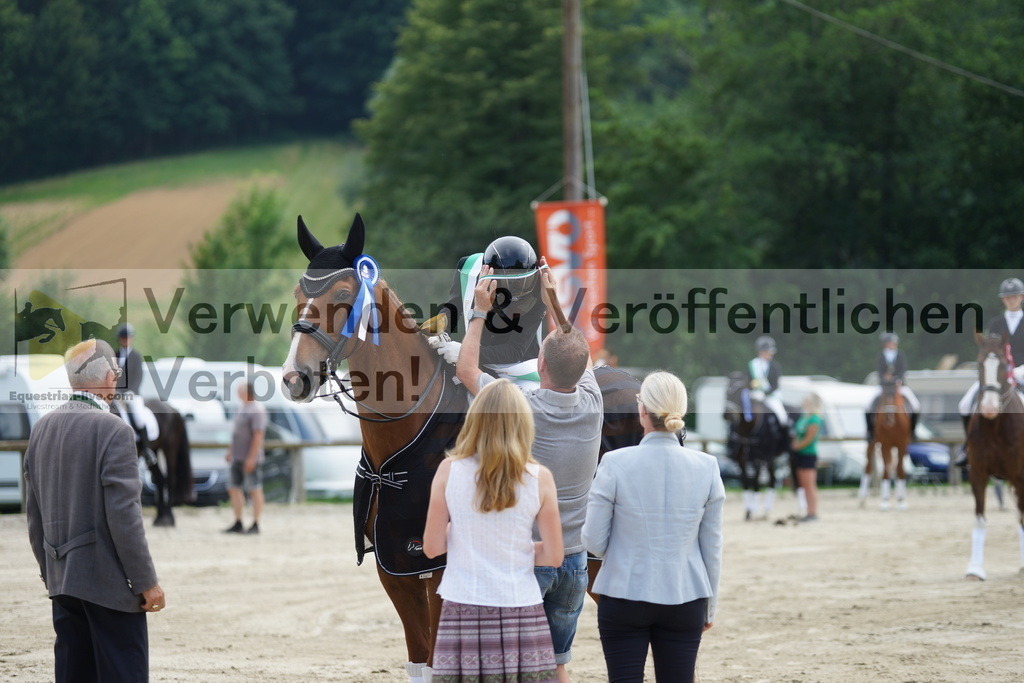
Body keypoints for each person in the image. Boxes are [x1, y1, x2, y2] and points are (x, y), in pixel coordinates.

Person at [456, 264, 602, 683]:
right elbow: (576, 350)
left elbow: (466, 371)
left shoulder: (521, 405)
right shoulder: (593, 402)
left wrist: (479, 313)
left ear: (539, 363)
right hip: (574, 561)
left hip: (527, 558)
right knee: (557, 666)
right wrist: (554, 299)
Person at [24, 339, 165, 682]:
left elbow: (34, 515)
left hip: (63, 581)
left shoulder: (41, 427)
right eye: (115, 372)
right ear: (107, 377)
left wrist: (51, 572)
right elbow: (124, 516)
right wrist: (147, 582)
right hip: (108, 585)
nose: (117, 378)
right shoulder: (114, 429)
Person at [582, 371, 725, 683]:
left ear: (642, 410)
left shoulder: (614, 463)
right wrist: (709, 608)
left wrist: (621, 548)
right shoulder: (707, 466)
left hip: (623, 594)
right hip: (685, 596)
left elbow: (593, 541)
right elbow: (711, 549)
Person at [423, 379, 563, 683]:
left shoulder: (448, 470)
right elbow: (553, 556)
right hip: (521, 607)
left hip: (463, 607)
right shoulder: (540, 478)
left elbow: (432, 547)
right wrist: (518, 547)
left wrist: (467, 535)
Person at [431, 236, 546, 384]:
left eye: (523, 280)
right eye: (511, 281)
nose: (518, 290)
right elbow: (454, 307)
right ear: (490, 274)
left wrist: (464, 353)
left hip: (520, 368)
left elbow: (515, 350)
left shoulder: (541, 288)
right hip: (475, 360)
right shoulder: (468, 268)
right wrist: (439, 332)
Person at [959, 277, 1024, 429]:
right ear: (1003, 299)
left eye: (1014, 296)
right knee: (964, 404)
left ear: (1022, 297)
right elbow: (989, 351)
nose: (1011, 300)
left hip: (1022, 372)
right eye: (1008, 297)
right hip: (995, 373)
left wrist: (1019, 370)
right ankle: (967, 444)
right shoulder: (996, 323)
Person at [223, 382, 267, 534]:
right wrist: (231, 450)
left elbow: (258, 436)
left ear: (247, 392)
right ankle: (238, 521)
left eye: (239, 391)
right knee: (233, 488)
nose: (237, 394)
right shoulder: (241, 407)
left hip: (249, 457)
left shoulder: (256, 410)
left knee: (254, 489)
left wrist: (252, 458)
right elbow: (236, 432)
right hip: (237, 456)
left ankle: (255, 522)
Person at [865, 332, 920, 440]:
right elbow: (879, 371)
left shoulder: (900, 355)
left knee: (915, 405)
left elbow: (902, 370)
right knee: (868, 405)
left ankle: (913, 431)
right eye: (890, 343)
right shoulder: (880, 356)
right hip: (883, 386)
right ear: (885, 344)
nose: (892, 345)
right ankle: (870, 431)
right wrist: (884, 379)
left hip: (899, 385)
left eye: (893, 343)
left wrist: (896, 379)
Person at [113, 322, 160, 443]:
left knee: (139, 418)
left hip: (132, 395)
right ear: (119, 339)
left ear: (132, 338)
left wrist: (129, 391)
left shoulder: (136, 356)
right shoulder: (114, 355)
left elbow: (138, 376)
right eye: (123, 338)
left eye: (128, 337)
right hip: (116, 395)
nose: (126, 340)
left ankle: (146, 449)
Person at [792, 393, 823, 522]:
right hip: (800, 453)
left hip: (808, 453)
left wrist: (797, 446)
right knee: (804, 485)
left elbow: (810, 437)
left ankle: (813, 512)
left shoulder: (815, 419)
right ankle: (808, 511)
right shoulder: (805, 417)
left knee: (810, 485)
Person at [747, 335, 788, 426]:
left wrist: (765, 394)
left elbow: (775, 385)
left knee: (782, 416)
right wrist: (753, 390)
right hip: (754, 395)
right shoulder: (752, 365)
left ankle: (785, 433)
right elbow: (749, 381)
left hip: (771, 396)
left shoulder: (775, 366)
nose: (771, 354)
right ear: (761, 352)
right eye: (768, 352)